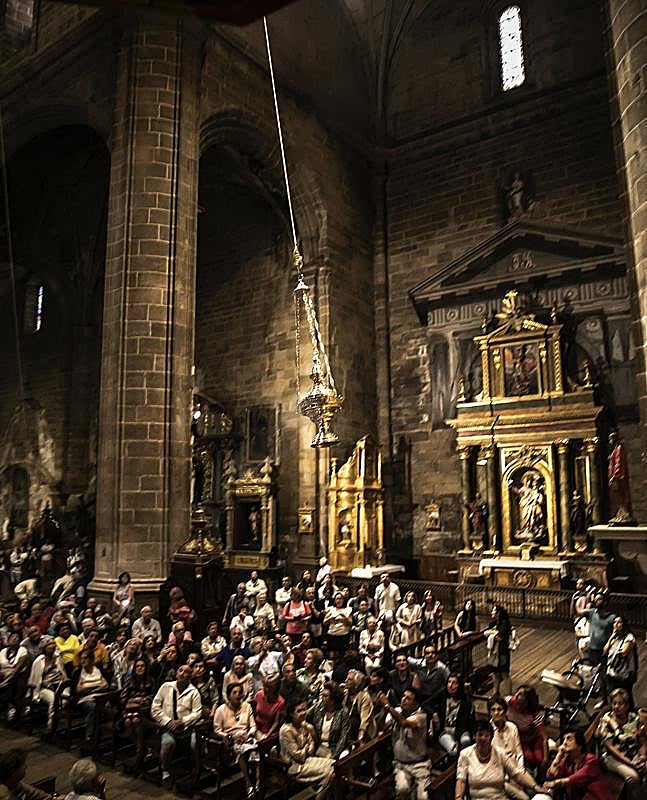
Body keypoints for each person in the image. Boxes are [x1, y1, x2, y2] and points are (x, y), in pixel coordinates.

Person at [455, 721, 544, 800]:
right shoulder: (465, 754)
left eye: (487, 735)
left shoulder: (500, 753)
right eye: (480, 735)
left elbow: (517, 774)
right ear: (474, 736)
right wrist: (458, 797)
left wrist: (535, 786)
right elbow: (461, 780)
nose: (483, 738)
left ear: (491, 737)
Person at [151, 663, 202, 787]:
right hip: (168, 726)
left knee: (195, 743)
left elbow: (197, 712)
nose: (182, 674)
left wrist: (183, 721)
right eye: (180, 670)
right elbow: (155, 708)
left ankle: (196, 769)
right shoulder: (166, 687)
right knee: (168, 743)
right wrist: (168, 722)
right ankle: (165, 770)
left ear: (190, 676)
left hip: (186, 727)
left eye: (186, 672)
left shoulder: (193, 692)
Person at [379, 687, 430, 800]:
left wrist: (387, 706)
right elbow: (381, 726)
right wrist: (384, 710)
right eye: (403, 696)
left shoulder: (421, 716)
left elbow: (404, 722)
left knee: (423, 797)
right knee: (402, 790)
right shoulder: (396, 711)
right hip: (401, 764)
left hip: (419, 764)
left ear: (416, 704)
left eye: (408, 698)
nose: (403, 700)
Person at [279, 700, 335, 800]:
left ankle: (323, 794)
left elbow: (311, 744)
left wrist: (306, 748)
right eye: (299, 711)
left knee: (336, 765)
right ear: (291, 714)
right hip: (295, 767)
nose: (303, 713)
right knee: (331, 773)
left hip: (308, 759)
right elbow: (298, 756)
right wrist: (306, 748)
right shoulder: (286, 731)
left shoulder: (303, 724)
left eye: (304, 709)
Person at [597, 688, 646, 800]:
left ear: (627, 706)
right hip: (610, 757)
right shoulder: (607, 721)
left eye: (620, 704)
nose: (616, 707)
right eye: (614, 703)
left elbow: (643, 740)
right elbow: (610, 748)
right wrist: (630, 763)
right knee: (633, 777)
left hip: (632, 753)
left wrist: (642, 757)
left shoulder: (633, 718)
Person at [213, 683, 257, 798]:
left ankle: (257, 781)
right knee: (241, 751)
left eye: (240, 692)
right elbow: (217, 730)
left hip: (246, 737)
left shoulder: (247, 706)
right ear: (228, 695)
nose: (238, 695)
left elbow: (253, 725)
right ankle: (248, 782)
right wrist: (230, 736)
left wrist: (249, 733)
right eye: (234, 693)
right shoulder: (221, 710)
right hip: (230, 741)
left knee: (256, 749)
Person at [543, 729, 614, 800]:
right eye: (564, 739)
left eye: (569, 739)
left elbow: (575, 778)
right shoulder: (567, 761)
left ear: (580, 745)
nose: (564, 743)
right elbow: (551, 776)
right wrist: (558, 756)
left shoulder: (591, 759)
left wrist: (555, 782)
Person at [120, 657, 155, 772]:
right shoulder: (129, 681)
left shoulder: (151, 681)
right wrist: (135, 700)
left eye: (142, 666)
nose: (140, 668)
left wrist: (143, 700)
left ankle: (140, 750)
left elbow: (153, 697)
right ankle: (142, 747)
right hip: (129, 711)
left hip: (145, 712)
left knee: (135, 720)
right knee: (128, 721)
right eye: (138, 666)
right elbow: (123, 698)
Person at [70, 650, 109, 749]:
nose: (83, 661)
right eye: (81, 659)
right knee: (95, 708)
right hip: (85, 699)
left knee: (104, 707)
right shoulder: (78, 672)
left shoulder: (98, 669)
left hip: (100, 697)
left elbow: (105, 685)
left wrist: (87, 687)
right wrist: (96, 686)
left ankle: (93, 730)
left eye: (85, 658)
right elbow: (78, 690)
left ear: (91, 660)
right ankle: (90, 736)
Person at [28, 635, 67, 730]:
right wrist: (46, 684)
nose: (52, 646)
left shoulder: (58, 657)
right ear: (44, 647)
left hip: (59, 684)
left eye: (54, 643)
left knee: (65, 698)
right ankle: (51, 725)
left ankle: (58, 722)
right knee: (53, 699)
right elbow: (35, 680)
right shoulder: (39, 661)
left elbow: (63, 673)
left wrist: (64, 683)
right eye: (50, 644)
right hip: (43, 687)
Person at [506, 686, 547, 771]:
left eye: (521, 694)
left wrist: (545, 758)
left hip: (533, 738)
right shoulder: (509, 701)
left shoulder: (535, 714)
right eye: (517, 692)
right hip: (519, 738)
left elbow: (544, 737)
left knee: (539, 758)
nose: (516, 695)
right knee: (529, 758)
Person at [433, 673, 475, 756]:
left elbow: (464, 723)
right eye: (449, 682)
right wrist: (434, 713)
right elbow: (425, 704)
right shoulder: (442, 694)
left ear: (459, 685)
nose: (450, 685)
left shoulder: (465, 701)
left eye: (454, 683)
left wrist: (456, 739)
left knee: (466, 741)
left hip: (460, 730)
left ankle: (464, 759)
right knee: (453, 751)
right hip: (445, 731)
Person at [603, 615, 638, 703]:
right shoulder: (614, 636)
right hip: (612, 671)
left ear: (623, 624)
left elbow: (624, 652)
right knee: (614, 694)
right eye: (614, 622)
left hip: (624, 673)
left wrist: (616, 650)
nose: (616, 624)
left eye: (619, 622)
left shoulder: (629, 637)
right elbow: (605, 650)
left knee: (626, 695)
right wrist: (612, 637)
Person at [409, 643, 449, 715]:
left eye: (433, 653)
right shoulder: (421, 664)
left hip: (435, 701)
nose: (430, 655)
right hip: (422, 699)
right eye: (427, 653)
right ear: (424, 656)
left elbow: (449, 681)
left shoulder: (442, 668)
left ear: (437, 655)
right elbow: (409, 659)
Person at [0, 631, 29, 720]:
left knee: (13, 683)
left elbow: (17, 669)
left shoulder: (23, 651)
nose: (14, 639)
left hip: (17, 676)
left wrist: (4, 682)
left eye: (17, 637)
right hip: (3, 674)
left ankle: (11, 707)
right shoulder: (3, 651)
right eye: (12, 637)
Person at [486, 603, 512, 695]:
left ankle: (509, 694)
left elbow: (500, 636)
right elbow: (488, 631)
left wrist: (493, 634)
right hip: (494, 652)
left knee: (504, 673)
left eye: (493, 610)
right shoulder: (494, 622)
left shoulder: (504, 622)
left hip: (502, 651)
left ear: (498, 613)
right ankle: (495, 692)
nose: (492, 612)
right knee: (495, 673)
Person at [344, 669, 376, 745]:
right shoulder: (345, 694)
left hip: (362, 733)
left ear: (356, 684)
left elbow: (365, 721)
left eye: (349, 680)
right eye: (346, 678)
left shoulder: (364, 696)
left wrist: (360, 738)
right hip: (347, 733)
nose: (345, 681)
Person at [254, 673, 285, 740]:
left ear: (275, 688)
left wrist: (267, 736)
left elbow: (276, 722)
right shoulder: (259, 694)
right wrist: (254, 729)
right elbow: (253, 713)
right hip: (256, 728)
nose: (265, 689)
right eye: (264, 686)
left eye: (268, 687)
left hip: (269, 732)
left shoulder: (280, 702)